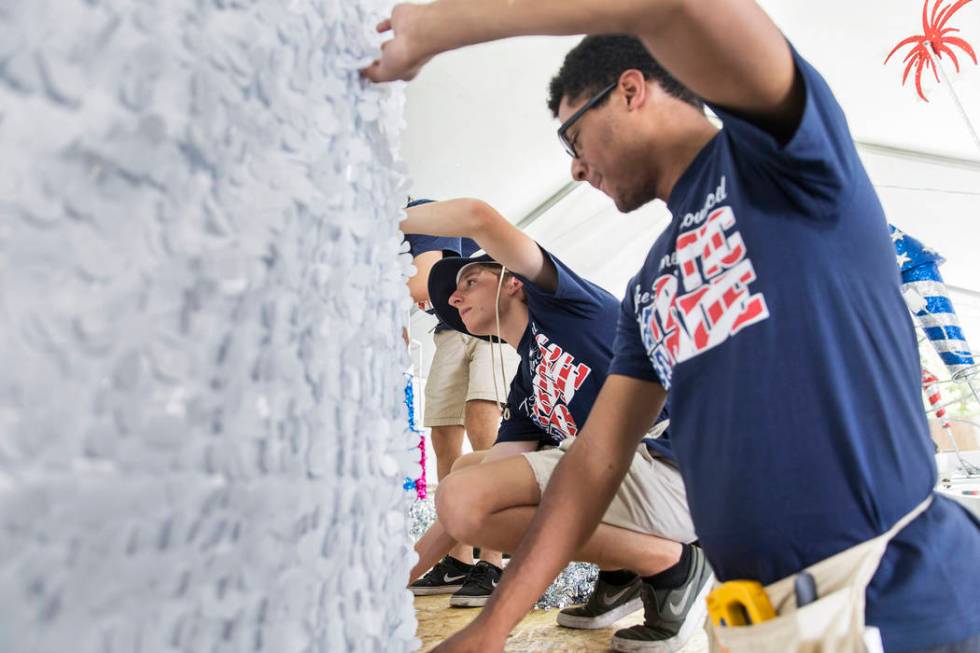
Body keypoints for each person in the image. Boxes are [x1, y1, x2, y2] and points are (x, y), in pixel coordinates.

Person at [366, 4, 980, 653]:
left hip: (900, 597)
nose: (575, 167)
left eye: (573, 138)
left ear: (631, 90)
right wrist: (490, 627)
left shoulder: (784, 164)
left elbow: (680, 8)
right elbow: (593, 464)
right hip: (761, 622)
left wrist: (433, 29)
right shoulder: (653, 288)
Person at [402, 199, 709, 649]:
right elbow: (467, 503)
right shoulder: (527, 387)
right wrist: (394, 579)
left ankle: (672, 565)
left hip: (679, 465)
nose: (454, 296)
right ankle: (621, 571)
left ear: (512, 283)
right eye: (451, 296)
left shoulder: (563, 302)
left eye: (470, 279)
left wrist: (382, 211)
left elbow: (478, 217)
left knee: (467, 492)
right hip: (628, 476)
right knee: (467, 477)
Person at [403, 199, 520, 604]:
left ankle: (493, 561)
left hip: (488, 326)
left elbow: (421, 283)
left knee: (484, 428)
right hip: (448, 331)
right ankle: (459, 559)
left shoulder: (417, 213)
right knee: (443, 434)